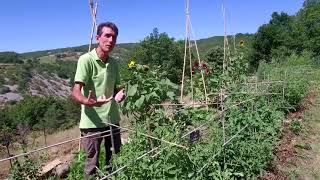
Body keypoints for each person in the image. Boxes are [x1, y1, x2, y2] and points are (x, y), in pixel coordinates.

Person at [71, 22, 125, 178]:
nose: (110, 40)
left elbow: (118, 88)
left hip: (112, 120)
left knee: (114, 159)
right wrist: (89, 102)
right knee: (92, 164)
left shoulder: (114, 63)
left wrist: (121, 94)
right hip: (92, 123)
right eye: (107, 36)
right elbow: (75, 92)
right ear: (98, 38)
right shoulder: (86, 60)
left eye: (114, 37)